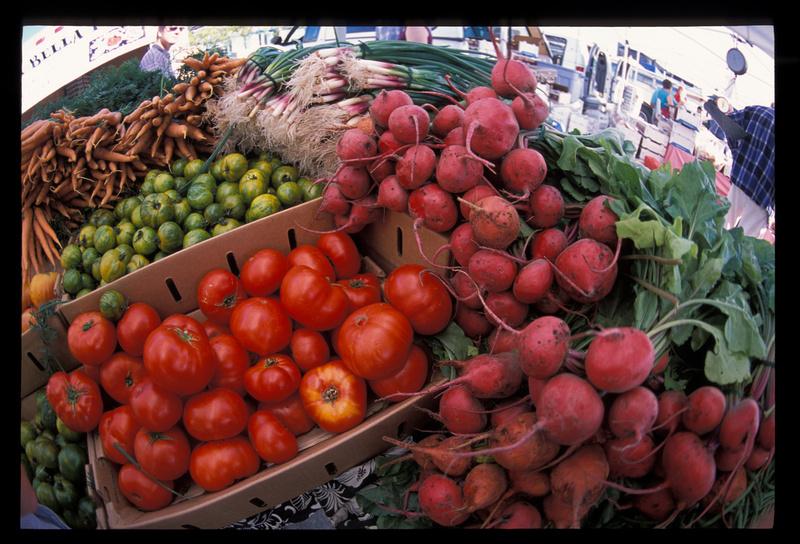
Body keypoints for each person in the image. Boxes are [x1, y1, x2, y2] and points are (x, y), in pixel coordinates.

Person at [704, 101, 775, 238]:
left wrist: (738, 153)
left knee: (721, 228)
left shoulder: (756, 111)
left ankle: (708, 256)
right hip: (763, 196)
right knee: (745, 243)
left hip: (742, 180)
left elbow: (730, 128)